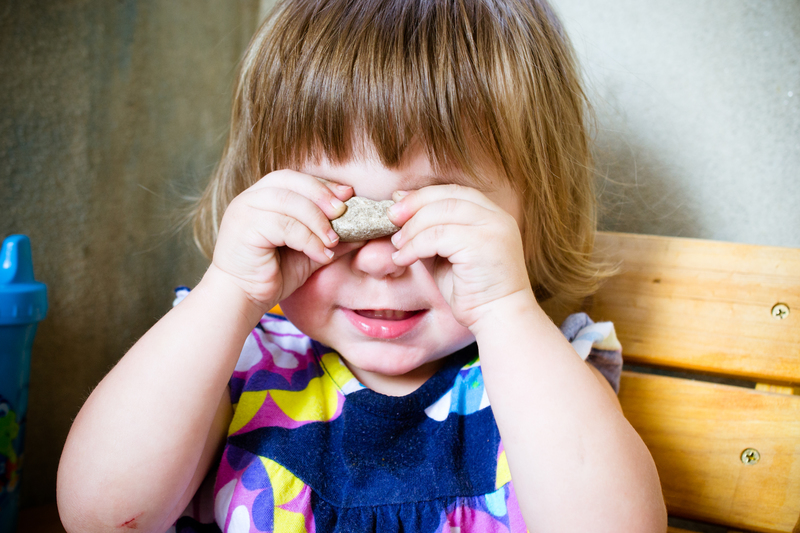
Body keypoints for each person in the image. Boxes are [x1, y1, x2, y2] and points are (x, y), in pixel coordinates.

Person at [57, 0, 667, 531]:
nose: (380, 260)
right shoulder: (234, 361)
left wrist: (505, 310)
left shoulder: (538, 378)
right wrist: (231, 290)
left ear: (532, 218)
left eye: (435, 216)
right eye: (333, 210)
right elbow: (101, 515)